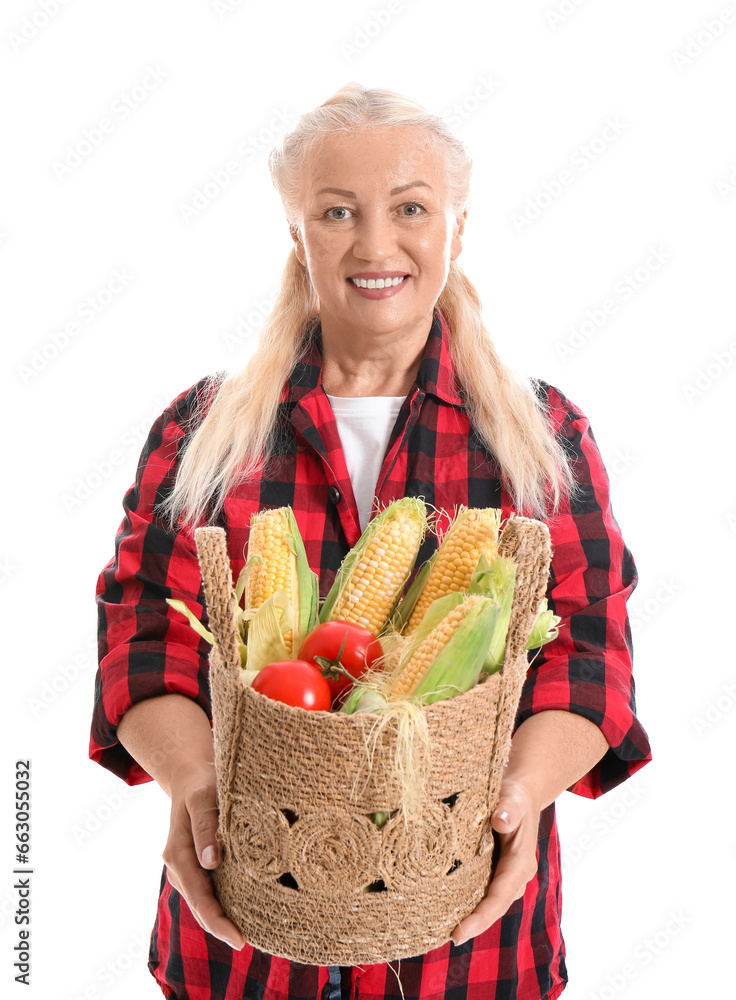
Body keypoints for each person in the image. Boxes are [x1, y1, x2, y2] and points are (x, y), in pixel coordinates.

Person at [90, 82, 651, 1000]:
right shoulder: (202, 433)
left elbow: (590, 656)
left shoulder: (542, 434)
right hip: (246, 943)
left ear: (457, 230)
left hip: (471, 950)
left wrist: (511, 803)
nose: (376, 244)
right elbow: (143, 642)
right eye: (337, 211)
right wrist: (202, 793)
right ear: (295, 231)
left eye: (412, 210)